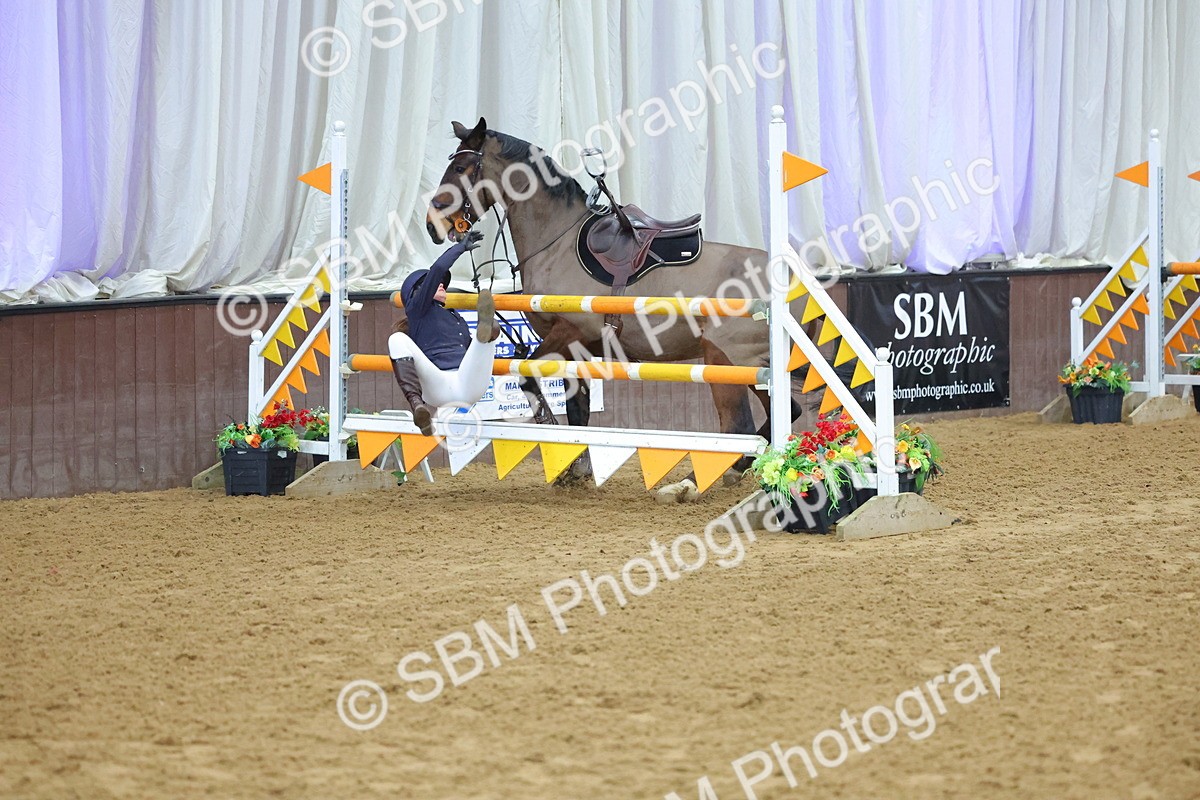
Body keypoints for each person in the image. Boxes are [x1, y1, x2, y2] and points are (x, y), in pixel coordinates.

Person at [390, 230, 499, 436]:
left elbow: (475, 358)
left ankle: (489, 328)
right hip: (438, 385)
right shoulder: (417, 309)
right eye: (433, 283)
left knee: (484, 336)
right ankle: (418, 407)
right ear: (418, 292)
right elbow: (438, 269)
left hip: (468, 384)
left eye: (442, 283)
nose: (442, 284)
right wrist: (460, 247)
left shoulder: (457, 319)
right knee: (396, 340)